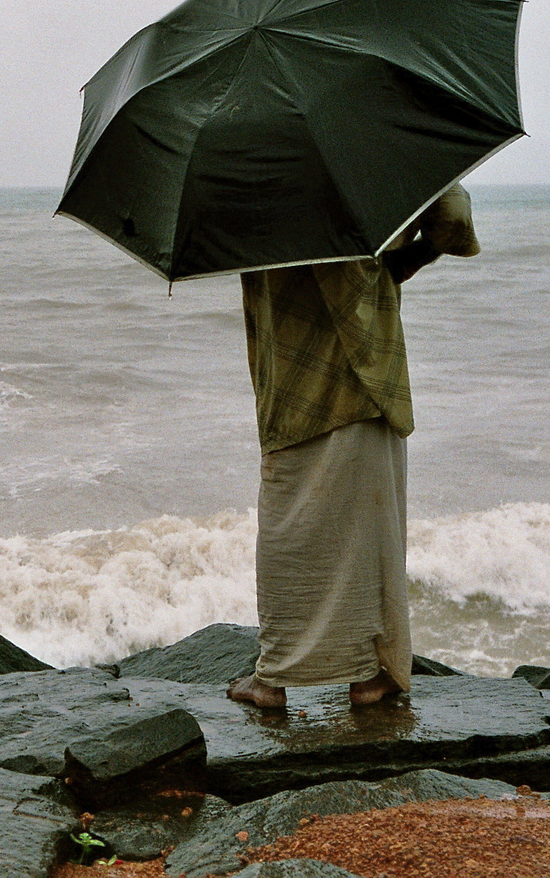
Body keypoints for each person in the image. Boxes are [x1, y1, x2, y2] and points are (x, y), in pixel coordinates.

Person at [226, 185, 480, 709]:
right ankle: (370, 676)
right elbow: (452, 213)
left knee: (289, 520)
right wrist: (402, 260)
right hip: (368, 368)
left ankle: (272, 678)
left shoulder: (245, 172)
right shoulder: (365, 154)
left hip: (292, 377)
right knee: (370, 532)